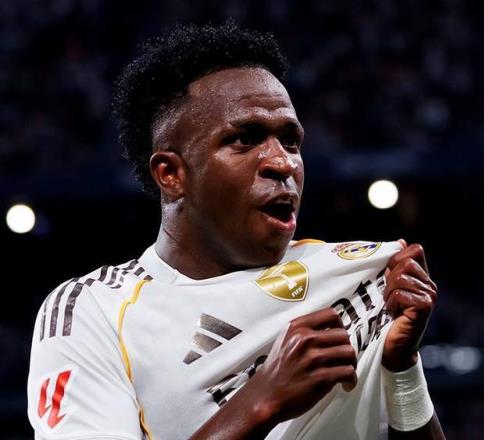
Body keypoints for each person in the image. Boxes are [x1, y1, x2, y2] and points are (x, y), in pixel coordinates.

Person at [27, 22, 445, 439]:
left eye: (291, 141)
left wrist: (402, 368)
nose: (283, 162)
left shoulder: (348, 279)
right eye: (245, 139)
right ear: (171, 174)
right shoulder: (94, 309)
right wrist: (261, 400)